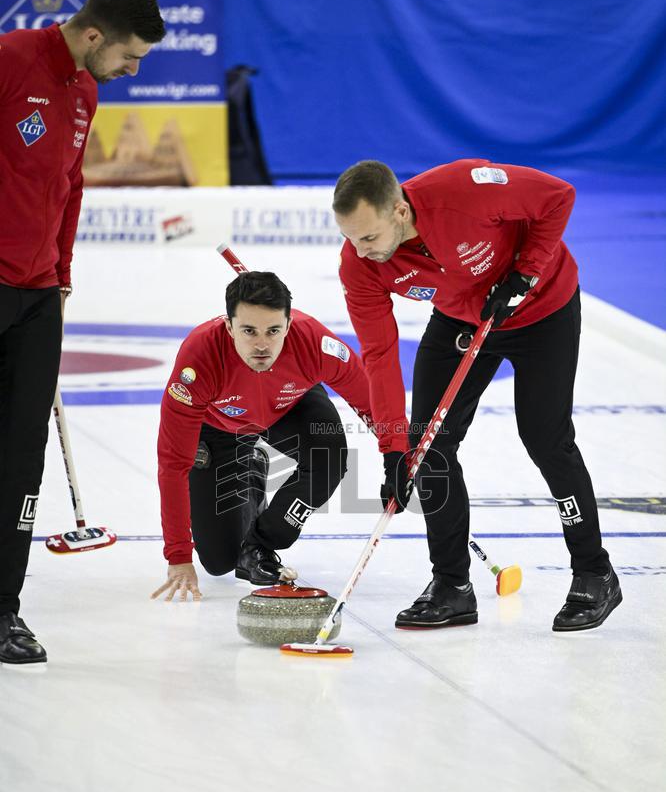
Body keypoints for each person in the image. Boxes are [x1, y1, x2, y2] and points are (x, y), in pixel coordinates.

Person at [333, 158, 622, 633]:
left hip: (541, 309)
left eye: (369, 237)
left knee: (545, 438)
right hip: (462, 320)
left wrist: (526, 272)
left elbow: (557, 197)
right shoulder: (359, 266)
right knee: (428, 447)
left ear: (400, 212)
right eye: (350, 238)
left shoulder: (464, 189)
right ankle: (452, 587)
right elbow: (380, 356)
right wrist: (393, 449)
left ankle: (595, 572)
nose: (360, 252)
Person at [0, 0, 165, 666]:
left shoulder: (86, 92)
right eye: (130, 56)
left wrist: (61, 276)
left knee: (19, 460)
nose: (133, 71)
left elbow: (69, 186)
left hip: (39, 298)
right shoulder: (11, 61)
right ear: (94, 35)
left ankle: (4, 607)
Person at [152, 271, 373, 601]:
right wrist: (179, 556)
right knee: (218, 561)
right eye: (249, 331)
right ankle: (251, 467)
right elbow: (173, 465)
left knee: (327, 456)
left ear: (288, 324)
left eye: (273, 331)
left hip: (289, 406)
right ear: (229, 327)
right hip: (222, 427)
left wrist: (401, 452)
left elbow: (372, 402)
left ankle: (262, 544)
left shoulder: (314, 342)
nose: (261, 344)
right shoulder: (198, 361)